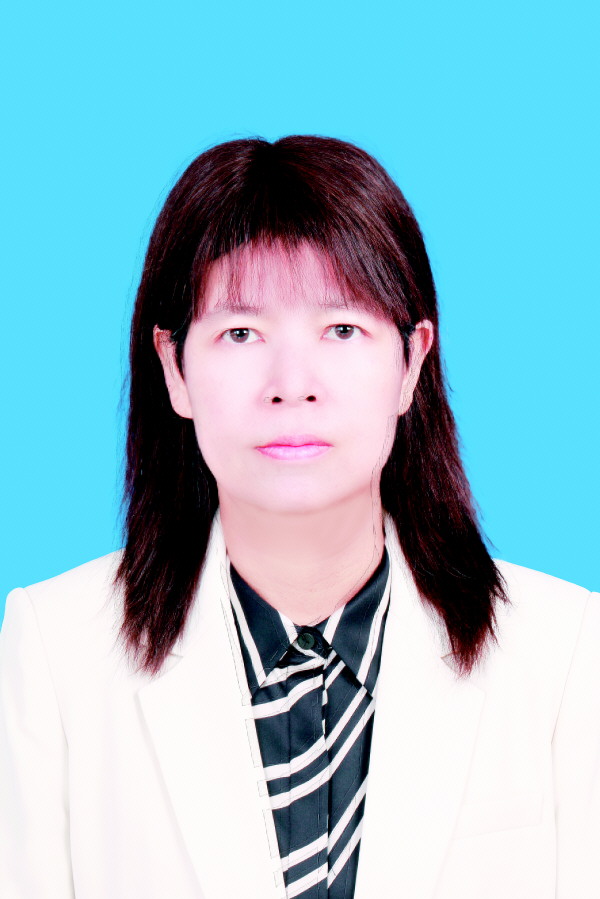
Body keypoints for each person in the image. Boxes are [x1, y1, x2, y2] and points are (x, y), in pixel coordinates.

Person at [0, 135, 598, 899]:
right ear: (175, 367)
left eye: (341, 329)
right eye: (241, 333)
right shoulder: (58, 653)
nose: (292, 384)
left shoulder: (564, 651)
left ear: (412, 361)